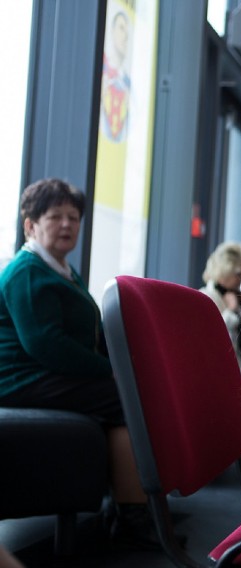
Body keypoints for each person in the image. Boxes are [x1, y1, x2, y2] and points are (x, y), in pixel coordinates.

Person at [0, 178, 158, 548]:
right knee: (125, 398)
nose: (68, 224)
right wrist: (112, 371)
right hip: (21, 378)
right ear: (30, 225)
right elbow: (47, 345)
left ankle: (129, 509)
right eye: (55, 216)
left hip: (45, 375)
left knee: (131, 394)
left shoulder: (61, 270)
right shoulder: (26, 271)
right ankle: (130, 516)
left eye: (74, 217)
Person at [199, 241, 241, 376]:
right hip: (226, 374)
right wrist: (230, 311)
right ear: (225, 271)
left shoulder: (238, 297)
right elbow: (215, 339)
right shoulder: (206, 297)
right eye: (238, 273)